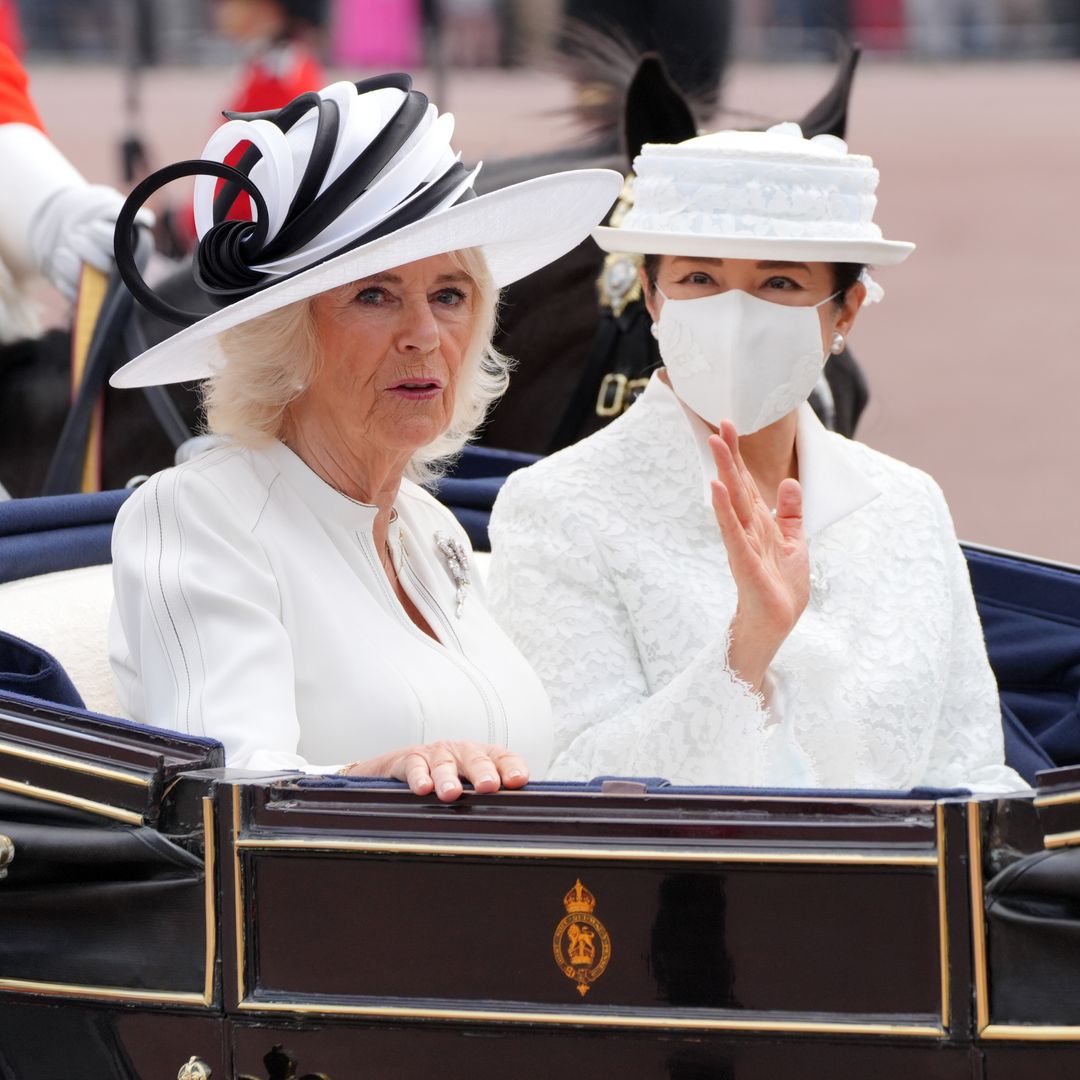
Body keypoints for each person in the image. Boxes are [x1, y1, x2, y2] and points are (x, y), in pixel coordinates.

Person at [107, 75, 621, 799]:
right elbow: (219, 792)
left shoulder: (430, 526)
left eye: (449, 295)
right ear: (287, 341)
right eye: (374, 296)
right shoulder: (197, 516)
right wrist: (369, 778)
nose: (423, 336)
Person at [487, 122, 1024, 793]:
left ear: (847, 311)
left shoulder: (908, 504)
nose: (734, 317)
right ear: (652, 296)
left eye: (779, 283)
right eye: (699, 278)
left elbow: (975, 772)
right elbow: (573, 781)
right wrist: (747, 647)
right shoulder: (557, 507)